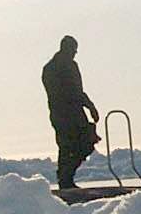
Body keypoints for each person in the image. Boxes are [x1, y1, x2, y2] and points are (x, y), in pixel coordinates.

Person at [42, 35, 101, 191]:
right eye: (73, 50)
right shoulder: (55, 68)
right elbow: (72, 91)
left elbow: (77, 91)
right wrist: (90, 106)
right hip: (66, 114)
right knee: (71, 146)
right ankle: (65, 179)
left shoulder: (59, 66)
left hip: (69, 113)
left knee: (77, 145)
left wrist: (89, 106)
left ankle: (66, 178)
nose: (75, 53)